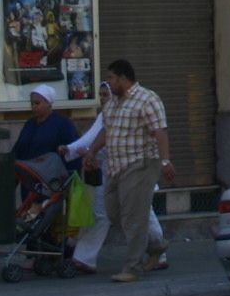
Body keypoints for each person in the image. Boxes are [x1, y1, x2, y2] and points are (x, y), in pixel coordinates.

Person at [62, 82, 165, 276]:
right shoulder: (106, 116)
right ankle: (84, 257)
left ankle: (157, 251)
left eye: (106, 94)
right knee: (102, 213)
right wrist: (75, 150)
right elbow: (93, 139)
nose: (103, 98)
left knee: (141, 213)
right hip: (109, 174)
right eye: (100, 95)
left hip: (132, 172)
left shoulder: (128, 112)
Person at [88, 59, 175, 283]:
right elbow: (107, 131)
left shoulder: (148, 99)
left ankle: (133, 268)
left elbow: (161, 131)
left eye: (111, 78)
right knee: (113, 211)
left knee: (133, 217)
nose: (108, 82)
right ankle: (156, 246)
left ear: (123, 78)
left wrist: (165, 162)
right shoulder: (112, 103)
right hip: (117, 166)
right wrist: (91, 151)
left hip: (142, 163)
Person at [10, 86, 79, 163]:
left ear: (48, 103)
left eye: (37, 103)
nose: (33, 107)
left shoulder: (63, 124)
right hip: (26, 170)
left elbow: (73, 151)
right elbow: (17, 149)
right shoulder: (29, 124)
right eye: (32, 103)